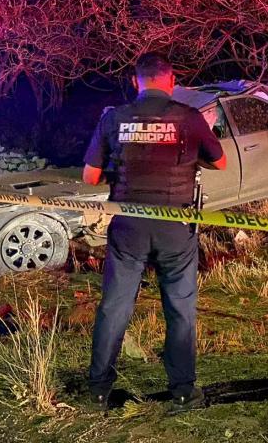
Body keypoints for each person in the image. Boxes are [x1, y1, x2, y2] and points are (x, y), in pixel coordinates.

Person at [82, 52, 226, 414]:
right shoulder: (190, 118)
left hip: (127, 224)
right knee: (179, 308)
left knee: (114, 306)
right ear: (172, 81)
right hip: (175, 227)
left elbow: (90, 176)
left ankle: (98, 391)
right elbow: (220, 161)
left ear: (136, 82)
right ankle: (182, 393)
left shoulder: (114, 118)